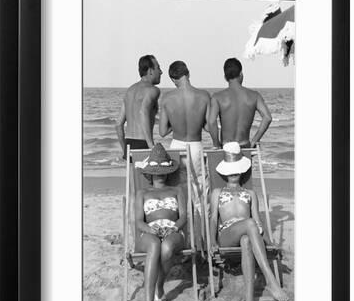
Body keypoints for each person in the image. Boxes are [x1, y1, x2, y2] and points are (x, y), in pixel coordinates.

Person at [209, 142, 288, 301]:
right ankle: (270, 279)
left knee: (247, 240)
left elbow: (258, 223)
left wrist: (269, 242)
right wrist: (212, 241)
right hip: (227, 235)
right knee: (249, 224)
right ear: (224, 172)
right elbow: (213, 218)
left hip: (247, 232)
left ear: (242, 171)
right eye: (230, 170)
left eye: (237, 169)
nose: (233, 173)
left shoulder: (250, 193)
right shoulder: (217, 192)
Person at [135, 144, 186, 301]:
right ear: (149, 174)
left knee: (166, 249)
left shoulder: (176, 190)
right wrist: (151, 229)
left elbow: (183, 217)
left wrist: (173, 227)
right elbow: (138, 221)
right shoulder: (142, 193)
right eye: (156, 172)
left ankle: (160, 287)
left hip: (173, 230)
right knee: (156, 244)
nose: (160, 175)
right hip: (149, 232)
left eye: (163, 171)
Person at [159, 60, 214, 208]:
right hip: (196, 146)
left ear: (173, 79)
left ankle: (183, 226)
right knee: (200, 189)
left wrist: (175, 123)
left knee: (177, 189)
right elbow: (209, 127)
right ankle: (202, 227)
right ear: (188, 73)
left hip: (176, 146)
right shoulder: (203, 95)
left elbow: (162, 132)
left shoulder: (166, 98)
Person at [208, 58, 272, 149]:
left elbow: (211, 122)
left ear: (225, 77)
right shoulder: (255, 96)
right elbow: (267, 117)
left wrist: (216, 144)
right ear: (241, 74)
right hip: (245, 146)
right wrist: (255, 139)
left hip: (226, 148)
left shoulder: (217, 97)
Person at [115, 54, 162, 159]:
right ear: (150, 71)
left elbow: (118, 124)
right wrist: (151, 146)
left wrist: (125, 151)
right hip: (143, 144)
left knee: (133, 175)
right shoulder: (153, 90)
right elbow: (143, 112)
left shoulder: (129, 91)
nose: (161, 72)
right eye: (158, 68)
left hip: (128, 144)